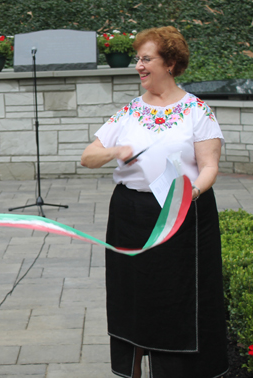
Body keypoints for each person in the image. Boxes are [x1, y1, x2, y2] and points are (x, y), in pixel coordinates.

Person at [81, 26, 228, 378]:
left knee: (176, 299)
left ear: (171, 63)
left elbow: (209, 166)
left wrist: (191, 193)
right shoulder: (128, 112)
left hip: (181, 214)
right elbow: (88, 156)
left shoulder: (197, 111)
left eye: (147, 59)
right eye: (138, 59)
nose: (138, 66)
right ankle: (132, 369)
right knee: (131, 298)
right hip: (130, 215)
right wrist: (114, 150)